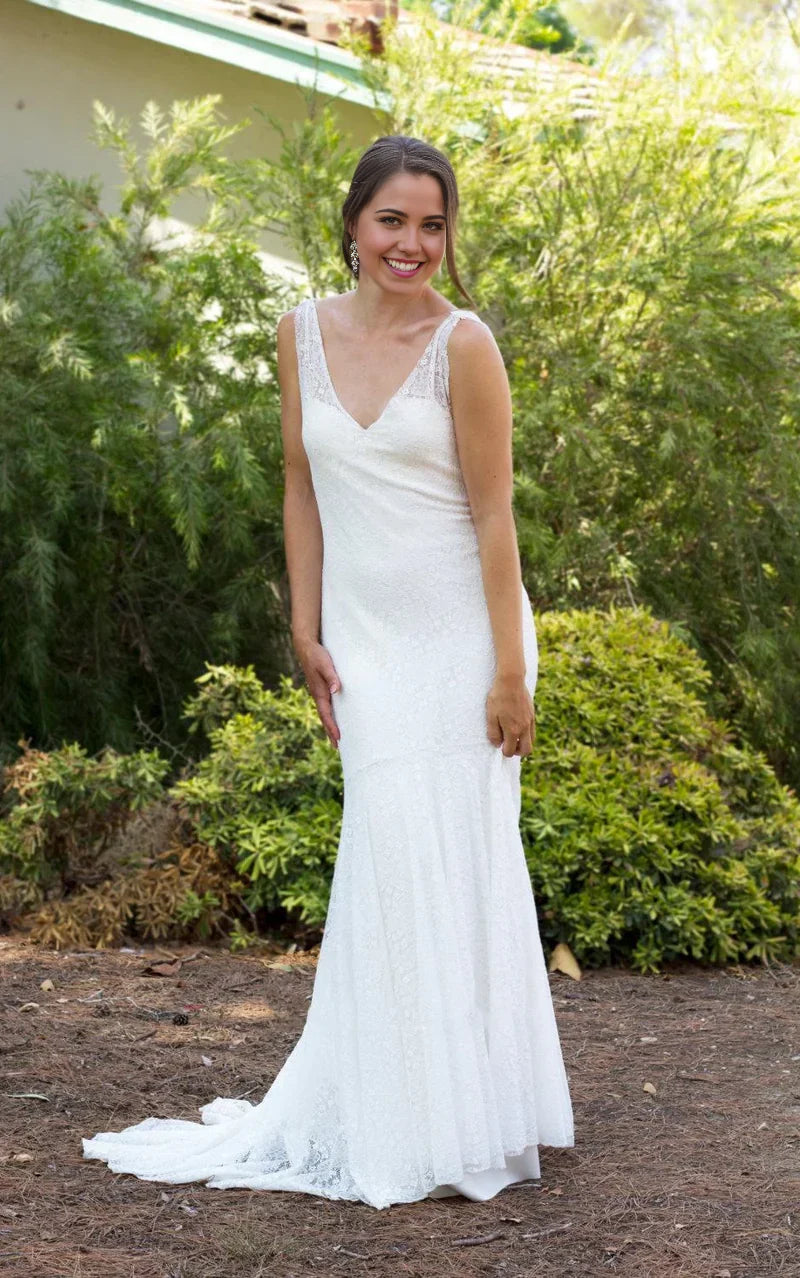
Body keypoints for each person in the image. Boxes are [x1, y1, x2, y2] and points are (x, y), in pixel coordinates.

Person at [81, 133, 574, 1210]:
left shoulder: (465, 345)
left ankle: (457, 1113)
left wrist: (507, 674)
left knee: (444, 858)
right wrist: (302, 629)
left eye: (432, 224)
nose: (412, 243)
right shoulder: (296, 333)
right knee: (395, 859)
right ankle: (405, 1096)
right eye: (392, 219)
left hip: (460, 641)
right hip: (365, 642)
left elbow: (494, 519)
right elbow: (301, 485)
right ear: (352, 223)